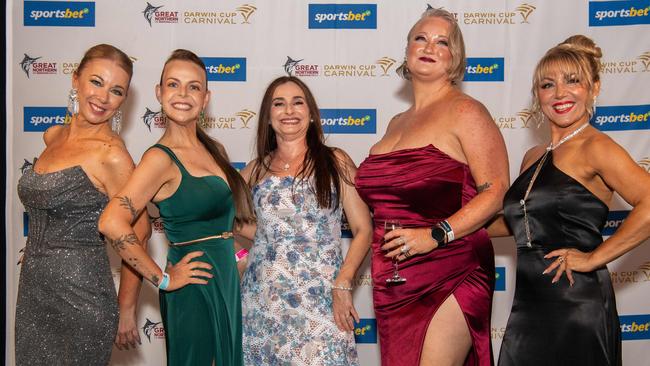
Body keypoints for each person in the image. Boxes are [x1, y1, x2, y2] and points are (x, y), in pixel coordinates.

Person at [355, 7, 509, 366]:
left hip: (449, 265)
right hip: (392, 275)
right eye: (421, 38)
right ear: (407, 50)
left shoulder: (466, 111)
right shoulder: (395, 122)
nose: (430, 46)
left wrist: (435, 235)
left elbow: (496, 189)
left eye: (443, 42)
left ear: (456, 58)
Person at [488, 35, 650, 366]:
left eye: (573, 81)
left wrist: (593, 259)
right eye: (548, 84)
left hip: (576, 303)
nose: (560, 93)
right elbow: (520, 224)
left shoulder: (597, 147)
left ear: (595, 88)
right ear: (538, 96)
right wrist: (445, 228)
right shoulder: (533, 156)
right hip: (528, 306)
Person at [98, 49, 255, 366]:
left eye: (193, 87)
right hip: (192, 285)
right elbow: (112, 222)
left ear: (206, 97)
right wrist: (163, 279)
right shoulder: (159, 159)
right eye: (173, 84)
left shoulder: (215, 149)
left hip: (224, 280)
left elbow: (231, 223)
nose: (183, 94)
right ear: (159, 93)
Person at [15, 44, 150, 365]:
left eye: (116, 91)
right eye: (96, 82)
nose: (103, 97)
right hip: (34, 293)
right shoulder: (53, 136)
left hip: (82, 299)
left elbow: (140, 232)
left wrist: (127, 308)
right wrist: (43, 244)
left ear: (123, 100)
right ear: (75, 79)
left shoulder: (111, 154)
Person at [238, 76, 373, 365]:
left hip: (323, 300)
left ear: (311, 114)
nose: (289, 110)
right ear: (268, 117)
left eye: (297, 102)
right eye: (279, 104)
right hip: (263, 303)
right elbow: (225, 222)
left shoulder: (335, 161)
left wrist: (343, 283)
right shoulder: (254, 170)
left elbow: (363, 230)